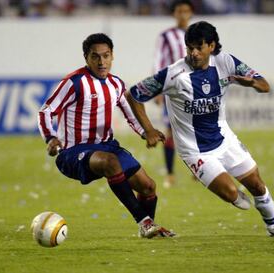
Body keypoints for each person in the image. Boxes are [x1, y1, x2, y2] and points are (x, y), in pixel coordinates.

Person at [126, 21, 274, 238]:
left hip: (225, 140)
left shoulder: (225, 61)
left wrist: (250, 83)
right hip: (195, 151)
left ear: (212, 46)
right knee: (232, 194)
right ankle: (236, 197)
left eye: (199, 47)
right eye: (190, 48)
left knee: (257, 185)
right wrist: (148, 130)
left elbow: (264, 85)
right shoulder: (173, 74)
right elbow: (133, 94)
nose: (194, 53)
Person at [37, 33, 175, 239]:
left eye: (106, 55)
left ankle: (150, 228)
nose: (102, 62)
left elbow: (130, 115)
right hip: (73, 153)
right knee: (110, 162)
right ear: (86, 58)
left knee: (148, 187)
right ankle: (144, 222)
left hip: (107, 146)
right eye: (95, 56)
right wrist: (51, 138)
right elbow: (46, 111)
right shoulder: (74, 82)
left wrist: (146, 132)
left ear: (112, 56)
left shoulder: (116, 84)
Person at [153, 0, 194, 188]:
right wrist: (157, 87)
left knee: (198, 128)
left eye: (186, 11)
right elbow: (159, 61)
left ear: (191, 13)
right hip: (173, 88)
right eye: (179, 11)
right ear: (174, 14)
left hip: (196, 87)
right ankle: (170, 173)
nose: (183, 14)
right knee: (171, 131)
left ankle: (199, 169)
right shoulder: (166, 36)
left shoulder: (198, 33)